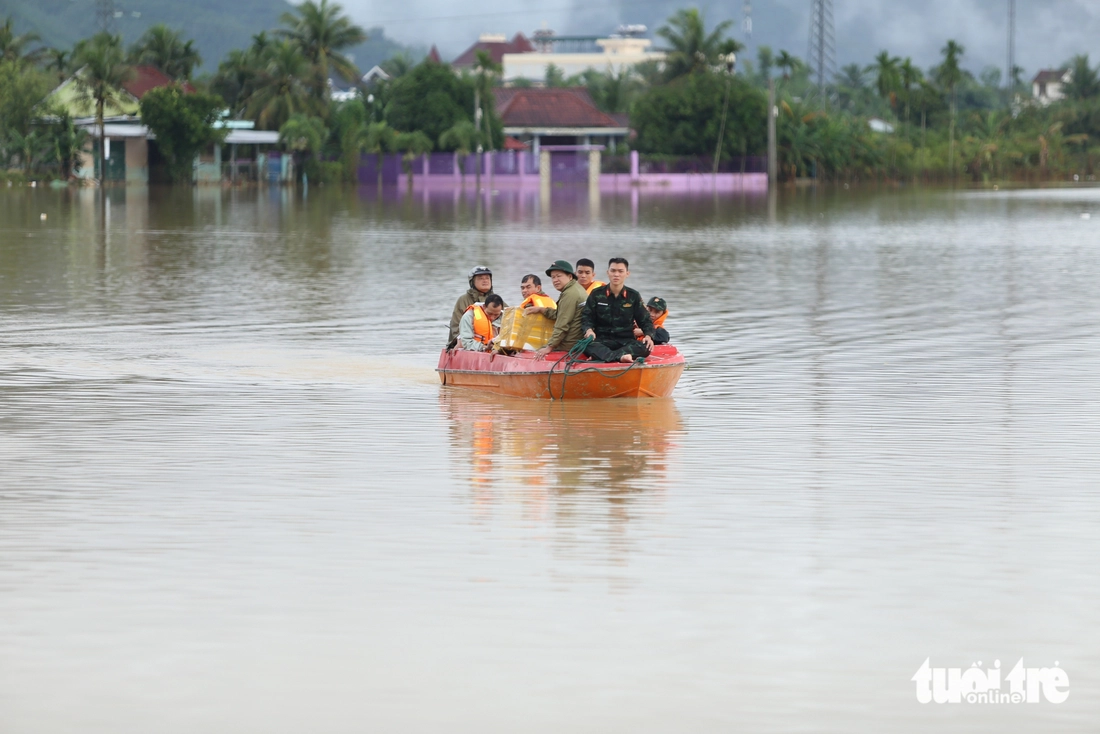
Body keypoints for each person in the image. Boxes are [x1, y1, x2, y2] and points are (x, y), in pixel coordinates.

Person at [581, 258, 654, 363]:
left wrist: (648, 335)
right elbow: (586, 317)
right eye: (613, 271)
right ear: (608, 272)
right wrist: (588, 330)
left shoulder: (633, 296)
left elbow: (645, 320)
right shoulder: (596, 294)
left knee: (645, 347)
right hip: (602, 340)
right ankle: (621, 357)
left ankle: (604, 356)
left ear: (627, 273)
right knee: (586, 345)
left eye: (620, 271)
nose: (616, 274)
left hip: (626, 341)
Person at [524, 260, 587, 359]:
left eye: (559, 276)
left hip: (570, 345)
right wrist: (541, 310)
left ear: (570, 276)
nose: (555, 280)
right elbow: (560, 314)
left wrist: (550, 347)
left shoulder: (570, 294)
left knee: (532, 350)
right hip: (578, 341)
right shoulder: (575, 289)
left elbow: (562, 324)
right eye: (553, 277)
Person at [448, 266, 501, 347]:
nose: (485, 281)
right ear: (472, 282)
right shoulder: (463, 300)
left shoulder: (498, 300)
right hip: (466, 341)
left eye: (487, 278)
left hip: (493, 343)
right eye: (480, 278)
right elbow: (455, 328)